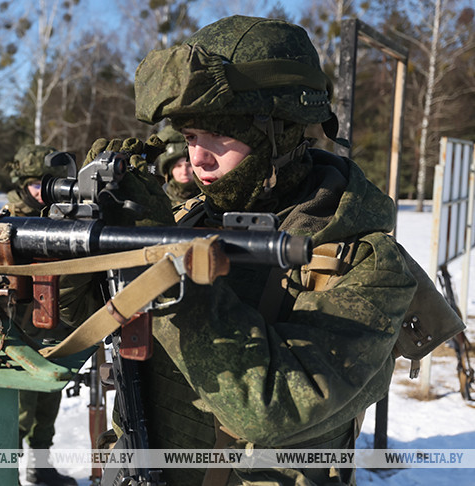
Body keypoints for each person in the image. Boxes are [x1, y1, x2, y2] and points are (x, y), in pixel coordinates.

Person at [77, 15, 418, 485]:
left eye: (219, 135)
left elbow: (270, 408)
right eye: (191, 137)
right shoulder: (184, 222)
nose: (198, 159)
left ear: (283, 131)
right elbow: (63, 336)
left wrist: (159, 260)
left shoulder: (363, 260)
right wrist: (83, 242)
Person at [3, 144, 77, 486]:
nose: (42, 192)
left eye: (48, 184)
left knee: (49, 399)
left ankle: (41, 465)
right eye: (35, 184)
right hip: (18, 329)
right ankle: (8, 474)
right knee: (20, 408)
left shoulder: (65, 216)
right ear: (21, 184)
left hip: (54, 324)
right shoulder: (7, 221)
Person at [154, 125, 199, 208]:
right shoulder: (157, 202)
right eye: (178, 166)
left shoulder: (212, 201)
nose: (184, 172)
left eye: (189, 165)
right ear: (169, 171)